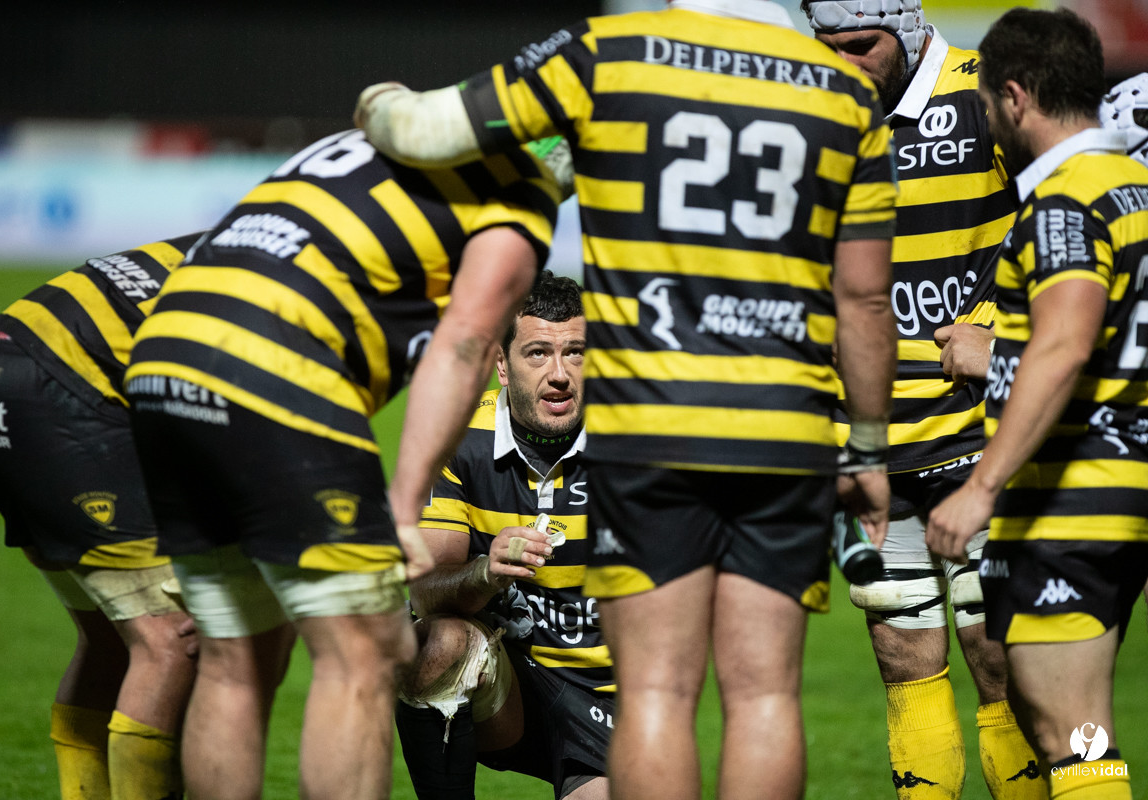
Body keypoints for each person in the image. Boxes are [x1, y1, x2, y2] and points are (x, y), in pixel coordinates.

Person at [355, 3, 899, 798]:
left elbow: (429, 128)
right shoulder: (845, 98)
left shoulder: (607, 54)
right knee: (764, 694)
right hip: (786, 424)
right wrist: (871, 448)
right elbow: (864, 300)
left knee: (655, 695)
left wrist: (379, 104)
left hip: (652, 420)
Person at [124, 129, 567, 800]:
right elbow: (466, 344)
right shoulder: (519, 193)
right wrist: (406, 500)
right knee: (363, 655)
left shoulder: (388, 141)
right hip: (275, 369)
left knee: (231, 659)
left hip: (161, 358)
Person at [800, 2, 1043, 797]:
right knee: (904, 655)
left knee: (998, 653)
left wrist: (1000, 340)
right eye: (827, 47)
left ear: (906, 27)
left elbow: (1073, 229)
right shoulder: (815, 110)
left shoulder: (989, 94)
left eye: (862, 45)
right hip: (869, 445)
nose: (847, 64)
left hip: (985, 438)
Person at [926, 8, 1148, 800]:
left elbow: (1066, 343)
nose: (987, 119)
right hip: (1124, 486)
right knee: (1069, 722)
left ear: (1015, 97)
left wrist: (981, 485)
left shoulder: (1066, 200)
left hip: (1072, 504)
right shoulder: (1134, 188)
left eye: (986, 103)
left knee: (1073, 734)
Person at [0, 235, 204, 800]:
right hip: (59, 394)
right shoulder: (287, 285)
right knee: (172, 637)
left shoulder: (236, 241)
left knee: (111, 637)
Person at [396, 272, 611, 800]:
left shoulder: (632, 446)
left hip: (606, 694)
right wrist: (486, 571)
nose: (559, 374)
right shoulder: (457, 437)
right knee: (437, 641)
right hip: (505, 681)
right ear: (500, 363)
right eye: (538, 353)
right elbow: (425, 591)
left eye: (576, 353)